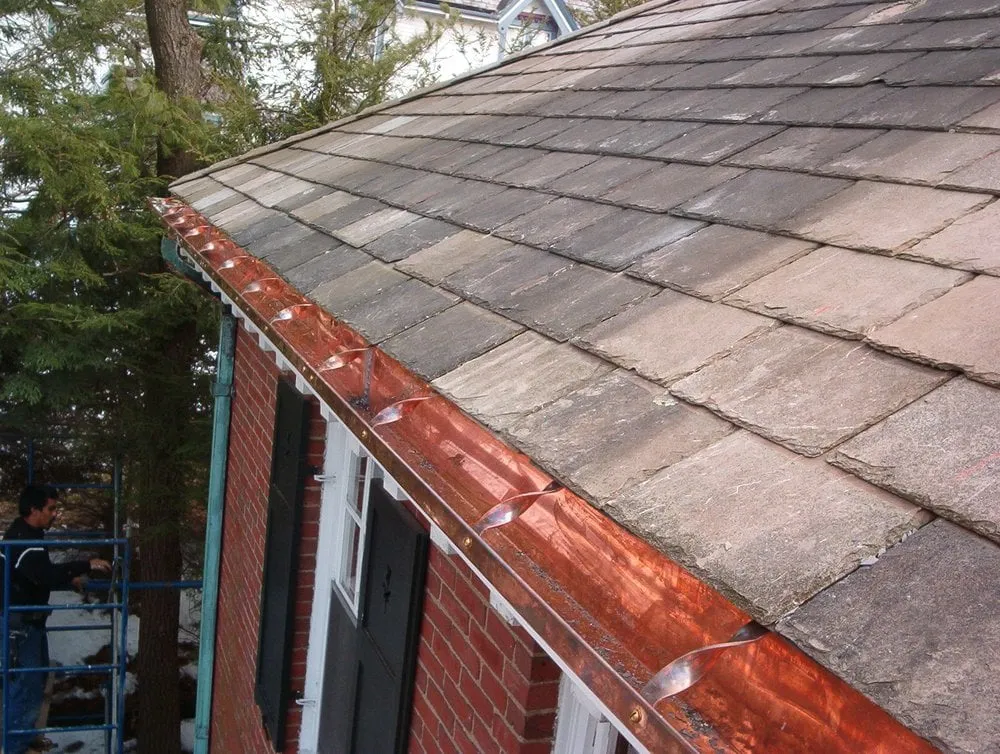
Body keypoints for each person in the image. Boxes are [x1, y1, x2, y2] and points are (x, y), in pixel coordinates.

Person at [2, 484, 111, 754]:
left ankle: (24, 738)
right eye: (51, 508)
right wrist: (86, 565)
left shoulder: (27, 534)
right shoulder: (24, 541)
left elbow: (38, 573)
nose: (55, 514)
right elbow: (44, 575)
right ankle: (15, 745)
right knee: (25, 685)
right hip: (21, 625)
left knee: (35, 681)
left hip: (28, 622)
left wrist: (68, 577)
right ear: (34, 510)